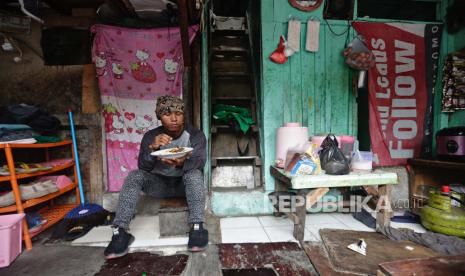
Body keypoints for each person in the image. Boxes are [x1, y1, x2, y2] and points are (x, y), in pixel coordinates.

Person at [104, 95, 208, 259]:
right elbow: (144, 167)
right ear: (159, 117)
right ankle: (120, 232)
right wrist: (153, 148)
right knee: (135, 176)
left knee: (195, 174)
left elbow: (199, 163)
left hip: (184, 185)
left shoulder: (195, 135)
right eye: (167, 114)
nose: (174, 119)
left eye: (178, 113)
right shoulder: (151, 137)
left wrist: (180, 163)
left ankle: (197, 226)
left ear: (183, 114)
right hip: (160, 185)